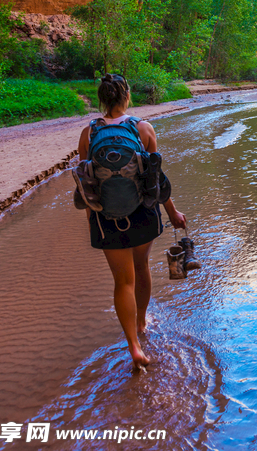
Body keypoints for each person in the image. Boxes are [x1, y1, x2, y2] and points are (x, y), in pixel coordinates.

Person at [78, 74, 186, 369]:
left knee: (122, 281)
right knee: (141, 267)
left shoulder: (88, 134)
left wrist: (93, 220)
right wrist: (173, 214)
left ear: (102, 99)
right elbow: (156, 179)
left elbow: (86, 182)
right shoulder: (143, 128)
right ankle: (141, 321)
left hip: (105, 219)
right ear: (126, 97)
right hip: (142, 214)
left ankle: (134, 346)